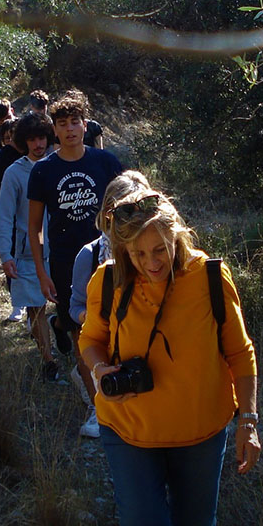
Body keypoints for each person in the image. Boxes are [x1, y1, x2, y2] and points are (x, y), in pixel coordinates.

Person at [79, 188, 260, 526]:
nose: (151, 262)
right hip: (128, 429)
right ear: (124, 249)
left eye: (161, 249)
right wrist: (100, 371)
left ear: (177, 236)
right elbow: (90, 340)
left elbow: (240, 352)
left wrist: (248, 422)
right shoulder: (108, 279)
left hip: (200, 432)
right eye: (138, 253)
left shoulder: (209, 278)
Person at [27, 89, 123, 375]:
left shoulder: (106, 163)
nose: (69, 129)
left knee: (115, 324)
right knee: (81, 332)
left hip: (107, 258)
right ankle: (95, 405)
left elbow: (126, 210)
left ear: (85, 124)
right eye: (62, 124)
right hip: (65, 262)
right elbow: (34, 227)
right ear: (54, 129)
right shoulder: (44, 170)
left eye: (74, 121)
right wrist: (42, 274)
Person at [68, 169, 154, 438]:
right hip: (108, 342)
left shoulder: (161, 253)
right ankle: (98, 407)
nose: (132, 219)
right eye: (124, 210)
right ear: (108, 213)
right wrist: (98, 320)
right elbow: (75, 307)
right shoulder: (90, 256)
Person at [0, 112, 58, 371]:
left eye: (41, 137)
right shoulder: (14, 173)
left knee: (69, 304)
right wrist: (5, 254)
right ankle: (49, 361)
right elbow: (5, 215)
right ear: (24, 142)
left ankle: (62, 329)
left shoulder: (60, 164)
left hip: (62, 248)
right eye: (31, 139)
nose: (38, 144)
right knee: (36, 308)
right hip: (29, 252)